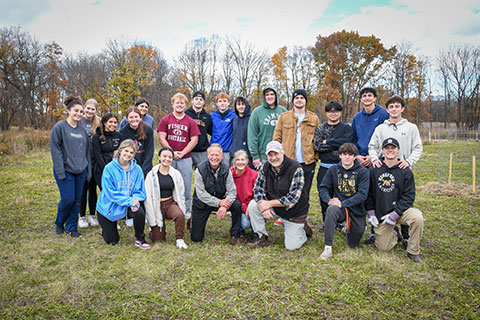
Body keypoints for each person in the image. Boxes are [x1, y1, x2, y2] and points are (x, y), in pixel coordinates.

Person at [368, 95, 423, 245]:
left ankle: (406, 235)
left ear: (402, 109)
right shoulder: (381, 128)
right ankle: (377, 231)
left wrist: (408, 161)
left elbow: (418, 147)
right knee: (382, 196)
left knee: (404, 199)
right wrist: (374, 160)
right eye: (391, 107)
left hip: (402, 169)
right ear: (387, 110)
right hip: (383, 169)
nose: (394, 109)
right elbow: (372, 146)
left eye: (397, 106)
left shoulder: (411, 128)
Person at [366, 138, 424, 263]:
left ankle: (413, 251)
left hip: (401, 212)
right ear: (382, 150)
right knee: (383, 248)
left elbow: (409, 196)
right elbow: (369, 193)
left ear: (398, 150)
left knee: (417, 217)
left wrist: (395, 214)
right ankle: (396, 234)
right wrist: (371, 213)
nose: (390, 150)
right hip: (383, 214)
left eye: (393, 148)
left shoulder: (405, 170)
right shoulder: (374, 169)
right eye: (387, 148)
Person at [247, 141, 311, 250]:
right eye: (270, 155)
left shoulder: (296, 168)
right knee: (253, 205)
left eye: (276, 154)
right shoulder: (265, 167)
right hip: (275, 207)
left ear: (282, 153)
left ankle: (303, 229)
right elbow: (257, 189)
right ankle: (261, 236)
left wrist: (268, 204)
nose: (273, 158)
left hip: (294, 212)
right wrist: (263, 208)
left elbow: (293, 198)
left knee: (291, 247)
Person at [318, 143, 369, 260]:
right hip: (338, 207)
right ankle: (327, 248)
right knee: (331, 210)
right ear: (340, 156)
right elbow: (323, 187)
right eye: (344, 154)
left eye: (350, 155)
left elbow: (362, 195)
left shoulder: (363, 172)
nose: (347, 157)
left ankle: (350, 226)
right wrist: (329, 200)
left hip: (356, 209)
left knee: (353, 245)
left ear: (355, 157)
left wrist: (343, 203)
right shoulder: (333, 170)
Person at [96, 139, 150, 249]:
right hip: (108, 207)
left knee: (139, 210)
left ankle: (139, 237)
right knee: (112, 241)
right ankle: (107, 227)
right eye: (126, 151)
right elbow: (109, 193)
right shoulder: (109, 168)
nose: (128, 154)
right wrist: (129, 200)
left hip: (128, 203)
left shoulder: (137, 169)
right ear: (120, 151)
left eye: (131, 152)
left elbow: (140, 191)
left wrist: (134, 200)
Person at [50, 95, 91, 238]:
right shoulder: (59, 128)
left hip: (80, 170)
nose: (79, 114)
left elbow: (87, 153)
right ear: (68, 110)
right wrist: (60, 172)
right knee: (67, 199)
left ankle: (72, 228)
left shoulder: (82, 130)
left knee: (77, 201)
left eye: (81, 112)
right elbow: (56, 152)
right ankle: (59, 222)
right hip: (65, 171)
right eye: (76, 111)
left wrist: (88, 171)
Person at [157, 93, 200, 221]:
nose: (179, 105)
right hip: (168, 158)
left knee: (186, 184)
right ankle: (164, 209)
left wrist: (182, 152)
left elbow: (194, 140)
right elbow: (161, 137)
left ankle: (186, 209)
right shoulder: (165, 120)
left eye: (182, 103)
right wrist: (171, 152)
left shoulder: (190, 121)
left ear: (186, 105)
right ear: (173, 104)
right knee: (165, 183)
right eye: (177, 102)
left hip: (185, 157)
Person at [190, 144, 243, 245]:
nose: (214, 158)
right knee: (196, 238)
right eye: (212, 155)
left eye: (217, 155)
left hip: (220, 200)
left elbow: (232, 191)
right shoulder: (199, 170)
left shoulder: (226, 170)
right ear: (207, 155)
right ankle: (193, 220)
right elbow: (201, 194)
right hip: (202, 203)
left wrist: (224, 205)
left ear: (222, 156)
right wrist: (219, 203)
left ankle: (235, 235)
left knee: (237, 205)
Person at [273, 89, 319, 197]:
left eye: (302, 98)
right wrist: (279, 158)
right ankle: (289, 214)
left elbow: (318, 140)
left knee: (305, 192)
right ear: (293, 100)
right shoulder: (284, 117)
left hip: (307, 162)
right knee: (288, 190)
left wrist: (315, 158)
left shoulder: (313, 118)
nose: (299, 100)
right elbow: (276, 138)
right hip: (288, 160)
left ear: (305, 100)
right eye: (296, 98)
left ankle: (302, 214)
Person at [313, 101, 353, 222]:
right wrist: (338, 144)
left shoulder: (346, 128)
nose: (333, 113)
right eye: (330, 111)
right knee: (324, 194)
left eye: (336, 111)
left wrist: (328, 141)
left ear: (340, 113)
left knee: (342, 194)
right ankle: (327, 221)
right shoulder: (321, 128)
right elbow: (317, 146)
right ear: (326, 113)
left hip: (341, 167)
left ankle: (341, 221)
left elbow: (347, 143)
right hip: (324, 167)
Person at [145, 147, 188, 249]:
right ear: (159, 157)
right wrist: (151, 218)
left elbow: (181, 193)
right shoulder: (151, 174)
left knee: (179, 215)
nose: (167, 159)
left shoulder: (176, 174)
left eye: (170, 157)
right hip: (156, 204)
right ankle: (153, 230)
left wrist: (182, 207)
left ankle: (179, 239)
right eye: (164, 156)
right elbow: (148, 198)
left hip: (169, 203)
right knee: (159, 240)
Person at [247, 86, 287, 170]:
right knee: (265, 181)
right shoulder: (257, 112)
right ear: (264, 97)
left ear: (276, 96)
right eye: (267, 94)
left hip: (281, 154)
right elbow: (252, 135)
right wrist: (255, 156)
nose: (269, 97)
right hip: (264, 156)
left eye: (272, 94)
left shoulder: (283, 111)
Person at [351, 87, 389, 168]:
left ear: (374, 98)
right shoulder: (357, 117)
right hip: (360, 160)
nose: (367, 98)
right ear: (361, 99)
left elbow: (386, 138)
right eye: (364, 96)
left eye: (369, 95)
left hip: (378, 159)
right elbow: (354, 138)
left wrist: (373, 156)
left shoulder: (384, 114)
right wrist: (357, 155)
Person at [78, 98, 101, 228]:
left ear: (96, 110)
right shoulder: (79, 120)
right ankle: (82, 216)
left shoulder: (98, 122)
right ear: (84, 108)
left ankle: (92, 215)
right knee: (83, 188)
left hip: (94, 160)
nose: (90, 111)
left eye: (93, 109)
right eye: (88, 108)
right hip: (82, 159)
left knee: (93, 188)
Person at [119, 106, 154, 177]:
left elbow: (149, 151)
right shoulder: (123, 132)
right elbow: (122, 153)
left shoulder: (147, 130)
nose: (134, 119)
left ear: (140, 117)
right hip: (129, 167)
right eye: (131, 117)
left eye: (136, 117)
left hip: (145, 166)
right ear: (127, 119)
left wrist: (144, 170)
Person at [92, 113, 124, 190]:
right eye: (110, 122)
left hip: (117, 169)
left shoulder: (119, 136)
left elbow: (122, 153)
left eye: (115, 122)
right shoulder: (97, 137)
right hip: (102, 170)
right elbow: (98, 156)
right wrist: (107, 170)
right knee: (106, 192)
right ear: (105, 123)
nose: (113, 124)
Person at [230, 150, 258, 235]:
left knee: (257, 215)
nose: (240, 162)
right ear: (234, 162)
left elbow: (257, 195)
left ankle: (257, 231)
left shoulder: (254, 174)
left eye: (243, 159)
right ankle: (240, 229)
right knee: (245, 224)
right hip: (239, 207)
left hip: (251, 205)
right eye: (237, 160)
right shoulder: (229, 174)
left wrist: (250, 209)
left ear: (247, 161)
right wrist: (245, 209)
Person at [185, 91, 212, 168]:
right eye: (196, 99)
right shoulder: (186, 114)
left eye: (201, 99)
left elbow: (211, 131)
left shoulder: (207, 116)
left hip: (202, 151)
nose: (198, 101)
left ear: (204, 102)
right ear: (192, 101)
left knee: (202, 174)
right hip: (187, 150)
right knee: (186, 174)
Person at [210, 93, 236, 166]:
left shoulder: (233, 116)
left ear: (228, 103)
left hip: (227, 151)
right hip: (214, 150)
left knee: (226, 172)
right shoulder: (212, 116)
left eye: (224, 101)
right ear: (217, 103)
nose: (222, 103)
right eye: (220, 101)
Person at [229, 96, 253, 168]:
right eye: (238, 104)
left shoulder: (252, 119)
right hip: (235, 154)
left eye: (243, 104)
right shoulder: (234, 120)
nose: (241, 107)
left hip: (248, 155)